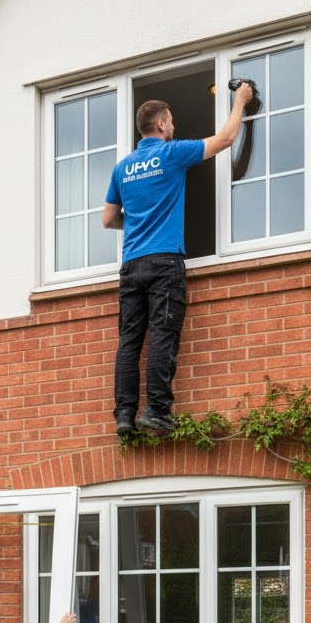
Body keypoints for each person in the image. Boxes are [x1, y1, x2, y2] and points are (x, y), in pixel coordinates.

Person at [102, 81, 256, 438]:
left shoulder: (122, 168)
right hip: (163, 263)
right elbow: (225, 140)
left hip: (131, 265)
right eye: (170, 122)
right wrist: (240, 102)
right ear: (160, 124)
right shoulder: (170, 154)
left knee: (129, 340)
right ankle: (156, 411)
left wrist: (138, 219)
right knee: (162, 335)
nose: (173, 128)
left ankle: (124, 415)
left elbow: (109, 219)